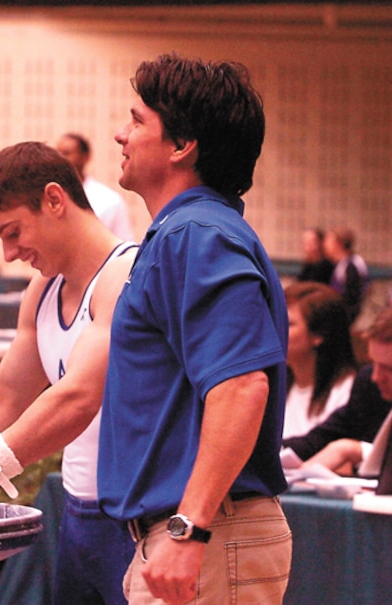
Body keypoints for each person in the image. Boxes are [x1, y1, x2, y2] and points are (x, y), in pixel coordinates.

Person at [98, 53, 291, 605]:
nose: (120, 134)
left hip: (207, 534)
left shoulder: (196, 236)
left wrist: (190, 529)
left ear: (182, 146)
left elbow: (240, 386)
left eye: (137, 121)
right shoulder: (193, 233)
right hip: (197, 535)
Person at [0, 141, 138, 605]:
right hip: (79, 517)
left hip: (136, 520)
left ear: (55, 200)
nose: (10, 254)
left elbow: (79, 397)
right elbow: (7, 394)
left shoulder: (127, 274)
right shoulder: (42, 291)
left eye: (14, 232)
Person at [281, 301, 392, 474]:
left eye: (390, 369)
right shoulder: (368, 384)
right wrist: (268, 453)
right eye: (374, 363)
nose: (376, 377)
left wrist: (357, 450)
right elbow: (320, 439)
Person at [283, 281, 358, 439]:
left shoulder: (346, 393)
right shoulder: (275, 386)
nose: (275, 330)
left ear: (318, 335)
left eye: (288, 324)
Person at [56, 132, 136, 241]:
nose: (60, 159)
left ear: (85, 157)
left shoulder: (110, 201)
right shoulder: (48, 195)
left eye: (66, 153)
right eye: (57, 153)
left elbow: (123, 245)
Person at [324, 226, 369, 323]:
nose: (325, 245)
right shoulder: (341, 264)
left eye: (328, 241)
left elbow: (352, 299)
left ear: (338, 244)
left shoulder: (352, 264)